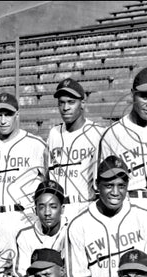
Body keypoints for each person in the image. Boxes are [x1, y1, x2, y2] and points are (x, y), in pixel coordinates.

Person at [66, 155, 147, 277]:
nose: (115, 192)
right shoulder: (79, 224)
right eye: (109, 185)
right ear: (97, 184)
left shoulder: (143, 217)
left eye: (121, 186)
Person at [98, 68, 147, 215]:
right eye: (145, 97)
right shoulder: (112, 134)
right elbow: (102, 184)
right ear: (133, 94)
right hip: (131, 205)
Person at [0, 92, 46, 236]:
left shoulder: (35, 144)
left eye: (8, 114)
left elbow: (50, 183)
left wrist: (40, 213)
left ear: (17, 115)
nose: (3, 120)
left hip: (21, 217)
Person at [46, 78, 104, 217]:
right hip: (57, 208)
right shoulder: (54, 133)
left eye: (71, 102)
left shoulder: (97, 133)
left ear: (82, 103)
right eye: (62, 103)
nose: (66, 108)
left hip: (84, 205)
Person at [14, 180, 69, 277]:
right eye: (42, 207)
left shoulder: (71, 231)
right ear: (35, 210)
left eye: (53, 206)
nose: (47, 212)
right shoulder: (25, 235)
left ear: (62, 208)